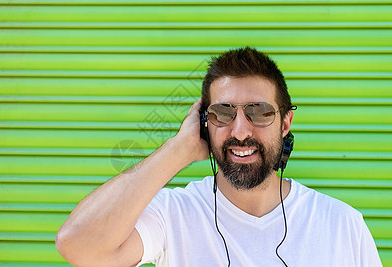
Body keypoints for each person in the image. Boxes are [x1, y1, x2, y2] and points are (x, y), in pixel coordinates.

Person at [56, 47, 382, 267]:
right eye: (223, 113)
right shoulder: (173, 214)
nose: (240, 130)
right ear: (203, 124)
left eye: (259, 112)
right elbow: (77, 244)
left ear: (285, 123)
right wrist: (178, 149)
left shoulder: (342, 224)